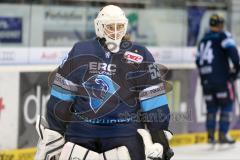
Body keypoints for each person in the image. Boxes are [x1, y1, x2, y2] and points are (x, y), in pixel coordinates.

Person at [35, 5, 174, 160]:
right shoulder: (80, 50)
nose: (115, 31)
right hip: (82, 132)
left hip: (124, 133)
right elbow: (62, 95)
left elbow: (153, 99)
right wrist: (55, 132)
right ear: (99, 27)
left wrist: (159, 137)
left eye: (119, 26)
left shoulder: (140, 54)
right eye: (110, 26)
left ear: (126, 26)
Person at [196, 14, 239, 144]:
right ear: (221, 24)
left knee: (211, 108)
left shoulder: (203, 40)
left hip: (206, 81)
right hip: (221, 79)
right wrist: (236, 70)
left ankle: (210, 136)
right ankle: (223, 135)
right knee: (227, 105)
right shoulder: (223, 36)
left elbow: (198, 60)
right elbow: (234, 54)